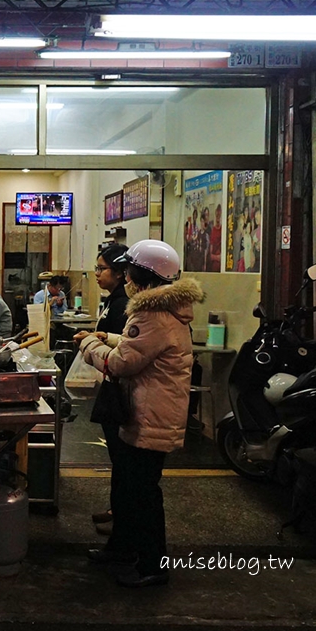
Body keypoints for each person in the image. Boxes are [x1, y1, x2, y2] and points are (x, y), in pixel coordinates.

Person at [75, 240, 204, 587]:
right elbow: (145, 347)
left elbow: (123, 363)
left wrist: (90, 344)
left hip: (151, 415)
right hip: (150, 411)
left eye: (129, 269)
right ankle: (123, 548)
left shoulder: (151, 313)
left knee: (143, 493)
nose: (125, 275)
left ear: (140, 275)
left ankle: (152, 566)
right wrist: (114, 336)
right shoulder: (166, 310)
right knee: (129, 487)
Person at [74, 243, 129, 532]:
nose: (96, 273)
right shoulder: (113, 300)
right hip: (111, 384)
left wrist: (92, 342)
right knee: (118, 457)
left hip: (122, 390)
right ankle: (117, 510)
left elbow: (124, 354)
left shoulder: (126, 304)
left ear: (121, 273)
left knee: (124, 459)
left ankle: (123, 519)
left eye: (101, 268)